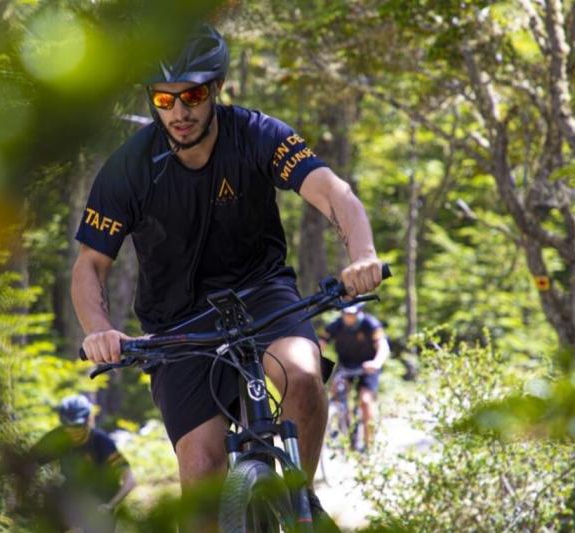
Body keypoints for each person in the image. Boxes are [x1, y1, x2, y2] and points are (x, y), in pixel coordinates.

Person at [71, 23, 384, 528]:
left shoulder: (258, 135)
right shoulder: (129, 168)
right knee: (200, 477)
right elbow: (90, 265)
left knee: (303, 376)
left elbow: (333, 193)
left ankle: (301, 502)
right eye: (164, 99)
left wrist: (362, 253)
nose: (179, 112)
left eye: (191, 95)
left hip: (263, 293)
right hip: (177, 323)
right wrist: (97, 330)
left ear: (216, 88)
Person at [31, 394, 136, 532]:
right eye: (68, 426)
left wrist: (110, 505)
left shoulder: (101, 442)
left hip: (100, 506)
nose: (74, 431)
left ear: (88, 420)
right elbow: (28, 462)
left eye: (78, 425)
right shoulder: (57, 438)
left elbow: (130, 480)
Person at [320, 303, 390, 452]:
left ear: (359, 311)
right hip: (345, 366)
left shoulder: (370, 324)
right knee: (336, 393)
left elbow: (382, 346)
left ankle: (368, 445)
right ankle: (346, 429)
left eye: (352, 313)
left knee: (365, 401)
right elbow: (321, 344)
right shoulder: (336, 325)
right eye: (346, 313)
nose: (348, 317)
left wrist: (376, 362)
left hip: (367, 367)